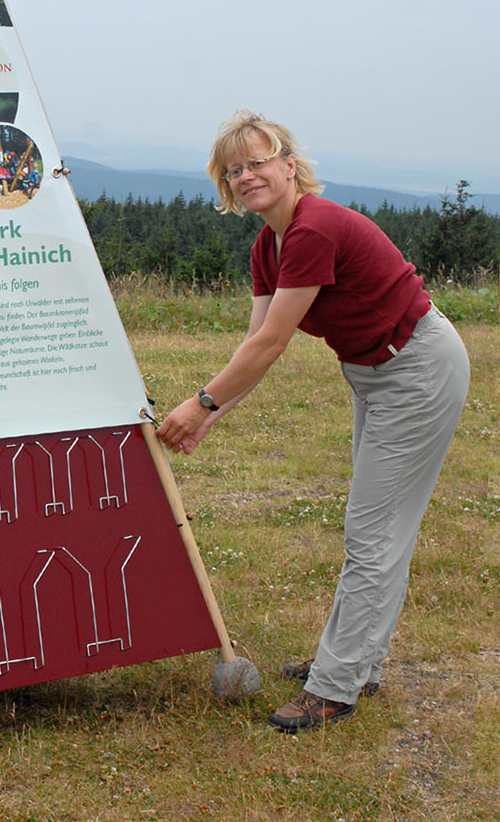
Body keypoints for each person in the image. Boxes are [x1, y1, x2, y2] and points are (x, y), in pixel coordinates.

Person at [157, 110, 470, 732]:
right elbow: (255, 347)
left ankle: (335, 686)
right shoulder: (267, 248)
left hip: (416, 367)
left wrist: (200, 404)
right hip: (374, 373)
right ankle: (356, 662)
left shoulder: (314, 228)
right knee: (380, 530)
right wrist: (209, 417)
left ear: (289, 165)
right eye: (233, 170)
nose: (246, 176)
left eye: (257, 162)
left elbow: (273, 342)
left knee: (372, 532)